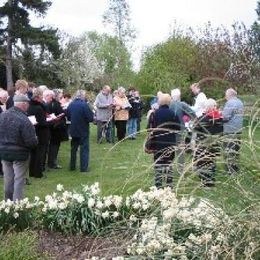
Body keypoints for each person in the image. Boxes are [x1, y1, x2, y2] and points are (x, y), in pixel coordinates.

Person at [0, 94, 37, 201]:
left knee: (8, 179)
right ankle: (18, 207)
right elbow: (31, 142)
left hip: (4, 152)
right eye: (27, 104)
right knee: (19, 180)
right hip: (20, 154)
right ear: (24, 105)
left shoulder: (2, 116)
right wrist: (36, 140)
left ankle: (7, 204)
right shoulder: (24, 119)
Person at [148, 93, 180, 188]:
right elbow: (178, 127)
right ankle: (169, 184)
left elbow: (150, 128)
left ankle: (158, 184)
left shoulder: (154, 113)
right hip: (170, 141)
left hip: (157, 142)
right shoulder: (173, 113)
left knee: (158, 163)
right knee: (169, 162)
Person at [194, 98, 223, 187]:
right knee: (212, 161)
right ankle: (211, 180)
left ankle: (205, 180)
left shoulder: (202, 119)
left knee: (203, 162)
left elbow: (195, 129)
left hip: (203, 144)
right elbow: (221, 132)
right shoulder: (220, 119)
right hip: (214, 144)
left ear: (207, 107)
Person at [169, 88, 196, 174]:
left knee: (168, 149)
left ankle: (167, 167)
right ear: (179, 96)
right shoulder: (182, 104)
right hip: (179, 130)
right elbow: (192, 114)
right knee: (180, 151)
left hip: (167, 130)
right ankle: (181, 169)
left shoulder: (168, 104)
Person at [67, 90, 94, 172]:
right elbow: (90, 118)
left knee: (73, 148)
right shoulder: (84, 105)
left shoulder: (71, 104)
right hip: (83, 130)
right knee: (84, 148)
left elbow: (68, 117)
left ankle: (72, 166)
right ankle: (84, 168)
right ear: (82, 96)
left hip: (73, 129)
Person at [27, 87, 51, 178]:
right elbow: (42, 123)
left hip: (32, 131)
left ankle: (32, 171)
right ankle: (38, 173)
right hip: (41, 132)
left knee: (33, 152)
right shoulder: (39, 108)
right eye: (41, 97)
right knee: (40, 153)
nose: (42, 99)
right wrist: (51, 121)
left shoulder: (30, 106)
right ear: (38, 97)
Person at [222, 88, 244, 175]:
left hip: (229, 130)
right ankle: (236, 169)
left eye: (226, 95)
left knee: (229, 150)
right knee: (236, 150)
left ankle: (230, 171)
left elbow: (225, 117)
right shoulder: (240, 102)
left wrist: (219, 114)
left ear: (229, 95)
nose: (225, 97)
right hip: (238, 129)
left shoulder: (230, 103)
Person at [47, 89, 68, 169]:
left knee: (54, 145)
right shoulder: (54, 104)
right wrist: (64, 112)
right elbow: (58, 113)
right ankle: (52, 163)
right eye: (60, 95)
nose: (61, 96)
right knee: (54, 146)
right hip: (56, 128)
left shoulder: (53, 104)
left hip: (54, 127)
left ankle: (52, 162)